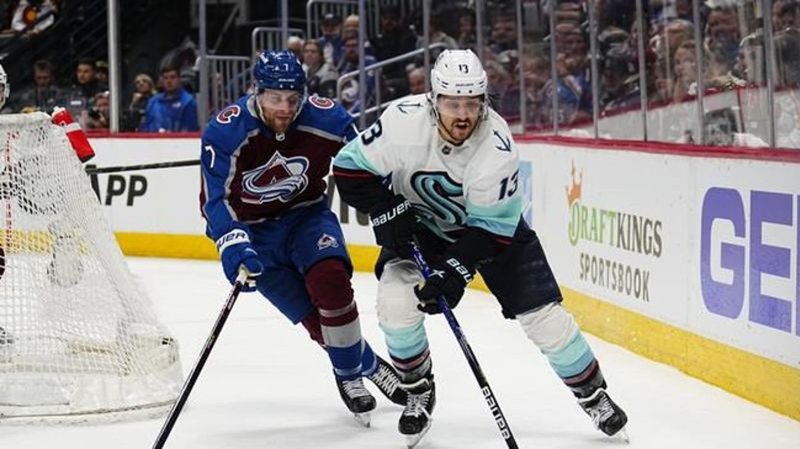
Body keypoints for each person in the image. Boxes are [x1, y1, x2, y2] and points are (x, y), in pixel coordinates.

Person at [332, 49, 628, 446]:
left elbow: (489, 231)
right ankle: (418, 388)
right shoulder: (402, 121)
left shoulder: (497, 146)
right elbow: (349, 169)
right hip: (421, 228)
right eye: (452, 103)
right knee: (395, 304)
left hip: (493, 231)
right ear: (433, 100)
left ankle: (593, 394)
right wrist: (388, 209)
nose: (463, 115)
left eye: (472, 103)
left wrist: (454, 272)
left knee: (545, 318)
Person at [199, 50, 406, 425]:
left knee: (332, 282)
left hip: (306, 217)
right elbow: (216, 201)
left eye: (293, 98)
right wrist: (233, 244)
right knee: (313, 318)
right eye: (275, 98)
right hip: (254, 234)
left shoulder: (326, 119)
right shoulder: (225, 131)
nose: (285, 108)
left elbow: (366, 161)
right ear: (256, 91)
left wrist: (392, 201)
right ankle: (369, 364)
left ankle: (348, 376)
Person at [140, 65, 199, 132]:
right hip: (153, 138)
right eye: (165, 78)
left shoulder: (188, 101)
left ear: (179, 79)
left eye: (172, 77)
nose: (169, 81)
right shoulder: (153, 102)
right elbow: (146, 127)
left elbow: (189, 130)